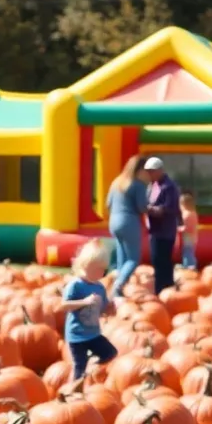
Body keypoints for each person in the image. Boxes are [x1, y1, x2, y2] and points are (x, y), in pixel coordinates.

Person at [60, 240, 118, 381]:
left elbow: (102, 309)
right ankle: (73, 392)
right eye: (97, 269)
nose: (101, 273)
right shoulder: (75, 285)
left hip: (93, 333)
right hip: (77, 335)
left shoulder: (99, 287)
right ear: (85, 265)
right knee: (79, 367)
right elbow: (63, 305)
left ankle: (92, 364)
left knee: (110, 353)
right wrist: (84, 302)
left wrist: (110, 309)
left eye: (103, 270)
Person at [106, 155, 149, 299]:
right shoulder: (138, 184)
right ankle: (118, 286)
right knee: (133, 259)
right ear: (140, 170)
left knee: (121, 257)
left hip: (114, 221)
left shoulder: (117, 182)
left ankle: (117, 288)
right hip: (129, 221)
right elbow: (142, 207)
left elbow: (108, 204)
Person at [143, 156, 180, 293]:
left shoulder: (169, 187)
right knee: (156, 260)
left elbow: (170, 208)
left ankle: (165, 289)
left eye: (152, 171)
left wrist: (152, 209)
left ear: (160, 170)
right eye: (148, 171)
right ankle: (162, 288)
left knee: (162, 260)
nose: (149, 174)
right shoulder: (152, 185)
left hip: (165, 230)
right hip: (155, 229)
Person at [179, 190, 199, 269]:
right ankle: (190, 265)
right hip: (193, 237)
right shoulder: (193, 213)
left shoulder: (187, 214)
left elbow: (187, 228)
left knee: (187, 253)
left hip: (188, 238)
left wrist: (179, 229)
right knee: (190, 252)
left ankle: (189, 266)